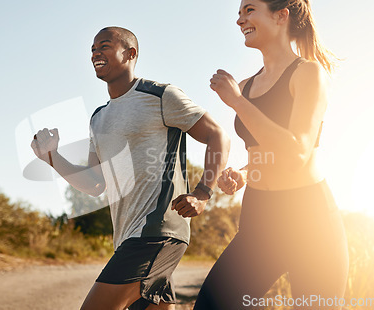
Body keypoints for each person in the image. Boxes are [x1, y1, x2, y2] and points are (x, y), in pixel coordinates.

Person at [31, 26, 230, 310]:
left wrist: (202, 192)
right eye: (92, 49)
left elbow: (217, 135)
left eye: (105, 45)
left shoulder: (161, 95)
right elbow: (95, 183)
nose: (96, 53)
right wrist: (52, 157)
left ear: (130, 53)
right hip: (127, 238)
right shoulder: (98, 118)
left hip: (156, 232)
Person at [193, 0, 349, 309]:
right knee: (211, 305)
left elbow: (297, 152)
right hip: (260, 217)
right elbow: (265, 151)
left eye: (249, 10)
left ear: (281, 16)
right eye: (239, 13)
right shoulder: (248, 85)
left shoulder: (308, 73)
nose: (240, 20)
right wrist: (245, 172)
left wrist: (237, 102)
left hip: (309, 220)